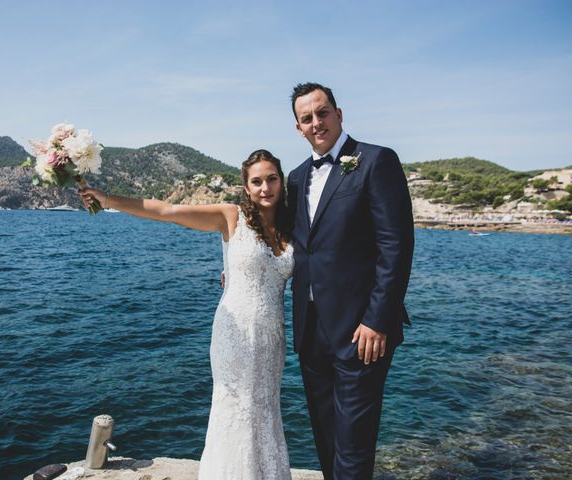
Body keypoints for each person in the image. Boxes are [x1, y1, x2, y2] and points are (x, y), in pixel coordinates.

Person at [79, 149, 294, 480]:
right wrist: (108, 199)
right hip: (234, 338)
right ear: (246, 187)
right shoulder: (230, 216)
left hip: (271, 342)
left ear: (281, 181)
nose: (265, 187)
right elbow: (167, 211)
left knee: (265, 411)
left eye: (272, 179)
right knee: (235, 410)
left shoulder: (291, 228)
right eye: (257, 181)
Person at [287, 82, 414, 479]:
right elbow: (291, 245)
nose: (316, 122)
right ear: (298, 128)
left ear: (339, 115)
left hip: (363, 331)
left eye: (322, 113)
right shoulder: (294, 178)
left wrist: (378, 318)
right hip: (310, 330)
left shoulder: (376, 161)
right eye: (307, 118)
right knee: (325, 435)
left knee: (354, 440)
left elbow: (396, 247)